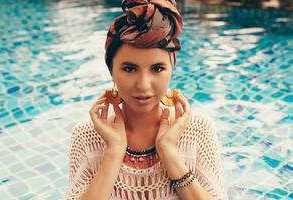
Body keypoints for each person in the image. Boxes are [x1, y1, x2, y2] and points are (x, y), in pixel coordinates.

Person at [65, 0, 228, 199]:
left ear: (171, 69)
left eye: (157, 68)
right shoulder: (87, 136)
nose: (143, 85)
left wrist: (168, 152)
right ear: (111, 71)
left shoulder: (198, 130)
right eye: (129, 69)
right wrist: (114, 152)